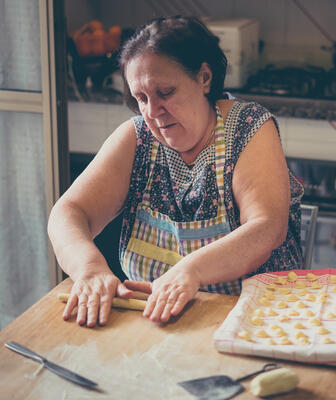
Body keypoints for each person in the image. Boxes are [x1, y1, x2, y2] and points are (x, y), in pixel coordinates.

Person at [48, 16, 304, 327]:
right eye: (141, 98)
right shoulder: (137, 138)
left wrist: (190, 270)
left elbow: (267, 227)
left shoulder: (249, 127)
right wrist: (89, 269)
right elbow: (68, 212)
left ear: (204, 78)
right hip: (153, 327)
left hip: (257, 323)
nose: (152, 112)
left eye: (165, 93)